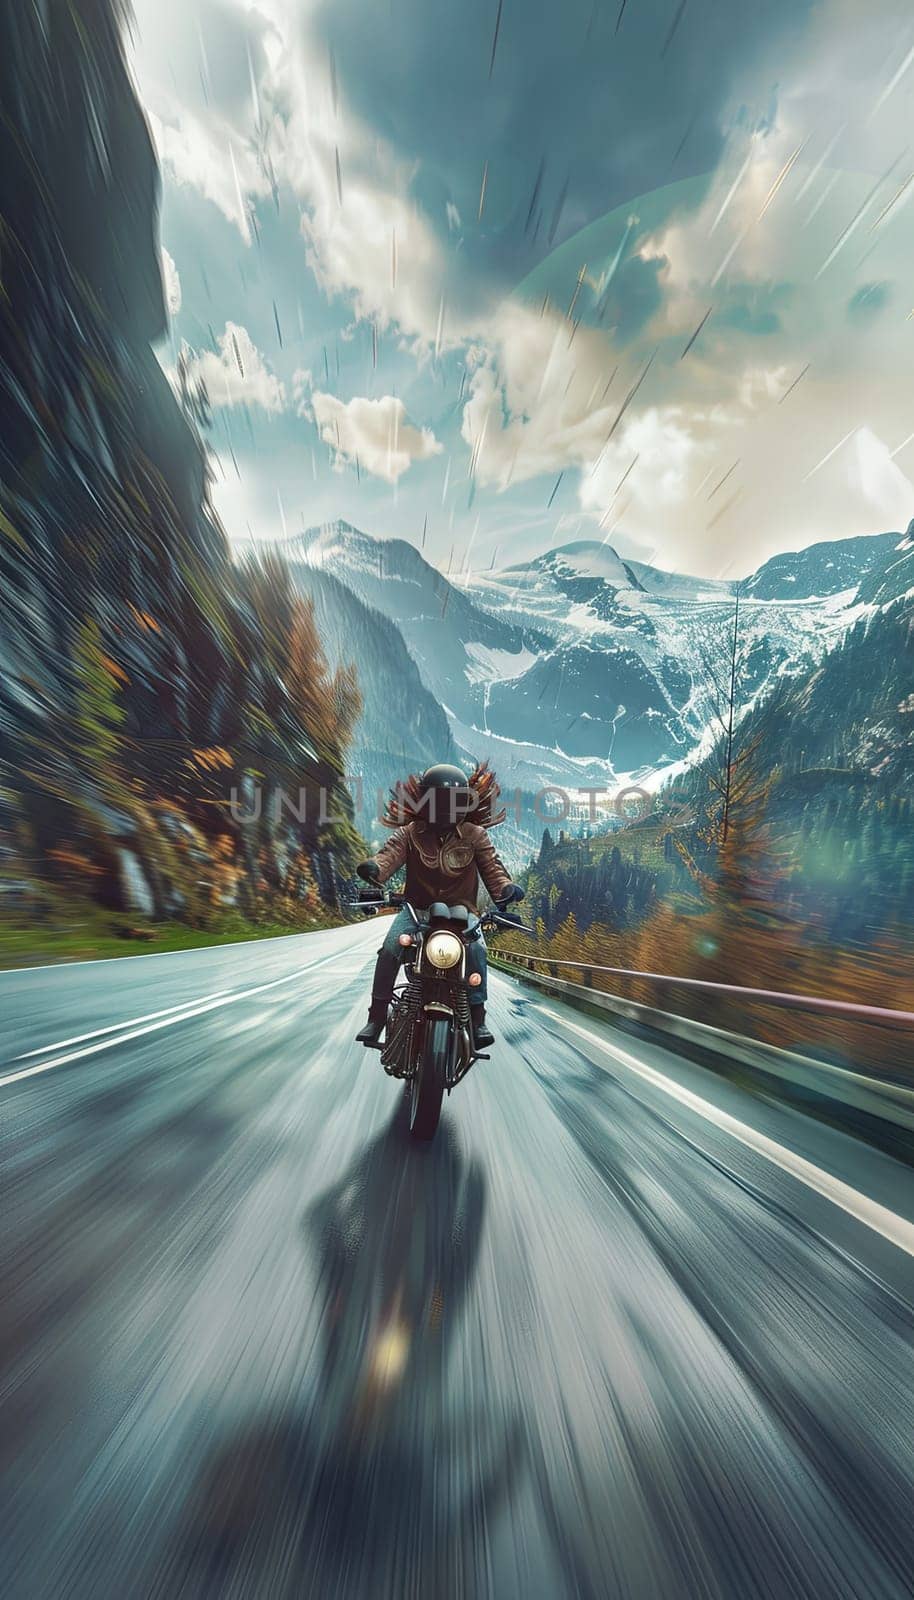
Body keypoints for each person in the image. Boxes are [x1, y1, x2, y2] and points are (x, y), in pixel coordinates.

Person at [354, 762, 525, 1049]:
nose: (444, 806)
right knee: (390, 949)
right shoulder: (411, 832)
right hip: (417, 911)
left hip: (463, 914)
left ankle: (478, 1019)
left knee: (477, 951)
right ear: (425, 801)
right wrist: (375, 869)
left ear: (463, 803)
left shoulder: (475, 835)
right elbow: (389, 855)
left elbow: (493, 870)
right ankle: (377, 1016)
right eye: (437, 799)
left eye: (451, 800)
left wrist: (506, 890)